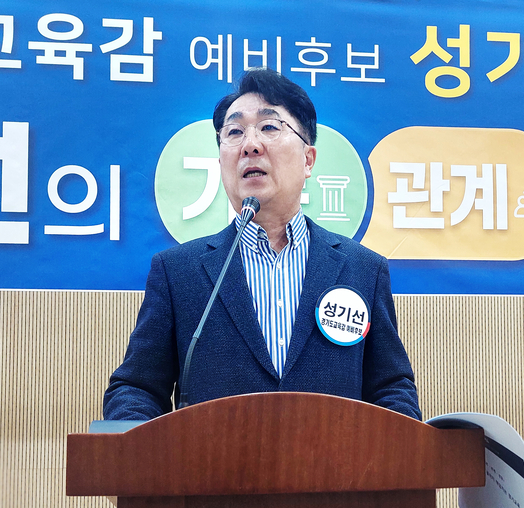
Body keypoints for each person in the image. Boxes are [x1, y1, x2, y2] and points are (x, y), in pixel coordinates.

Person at [103, 68, 421, 421]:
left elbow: (390, 387)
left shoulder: (363, 269)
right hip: (214, 457)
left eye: (269, 127)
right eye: (234, 132)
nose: (250, 145)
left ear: (308, 160)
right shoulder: (178, 271)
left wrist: (401, 444)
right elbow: (137, 388)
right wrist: (137, 441)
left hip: (334, 458)